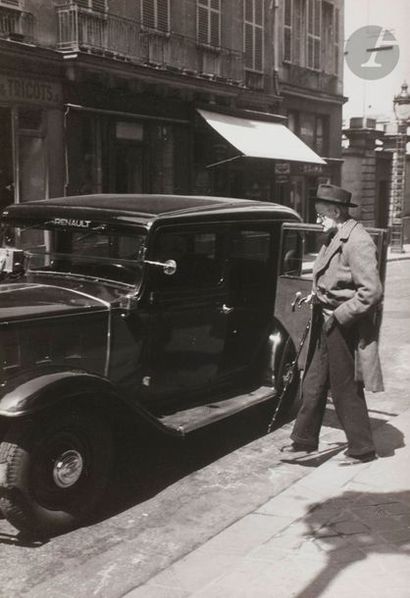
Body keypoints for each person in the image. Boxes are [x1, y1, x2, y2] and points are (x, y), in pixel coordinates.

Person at [281, 183, 384, 464]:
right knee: (313, 381)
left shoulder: (358, 241)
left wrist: (339, 315)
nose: (317, 220)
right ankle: (303, 441)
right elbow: (336, 278)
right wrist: (319, 293)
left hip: (342, 324)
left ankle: (362, 450)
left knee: (344, 388)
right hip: (325, 319)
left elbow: (371, 292)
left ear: (336, 211)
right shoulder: (335, 235)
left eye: (321, 214)